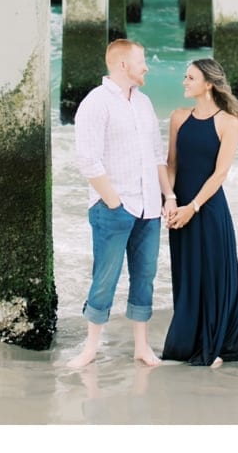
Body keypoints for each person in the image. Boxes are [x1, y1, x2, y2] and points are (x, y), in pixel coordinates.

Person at [66, 39, 172, 369]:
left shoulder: (144, 103)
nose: (147, 67)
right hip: (113, 208)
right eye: (142, 61)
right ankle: (91, 347)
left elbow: (157, 156)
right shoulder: (95, 103)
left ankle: (142, 346)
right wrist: (114, 201)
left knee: (145, 276)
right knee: (105, 277)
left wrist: (169, 196)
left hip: (150, 208)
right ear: (123, 65)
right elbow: (88, 160)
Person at [160, 58, 238, 367]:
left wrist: (192, 207)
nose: (184, 82)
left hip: (208, 210)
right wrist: (170, 200)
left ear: (208, 84)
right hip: (180, 209)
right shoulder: (178, 118)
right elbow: (171, 164)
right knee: (187, 277)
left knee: (214, 276)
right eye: (185, 77)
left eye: (190, 77)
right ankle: (187, 344)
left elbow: (220, 174)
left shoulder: (228, 122)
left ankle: (221, 346)